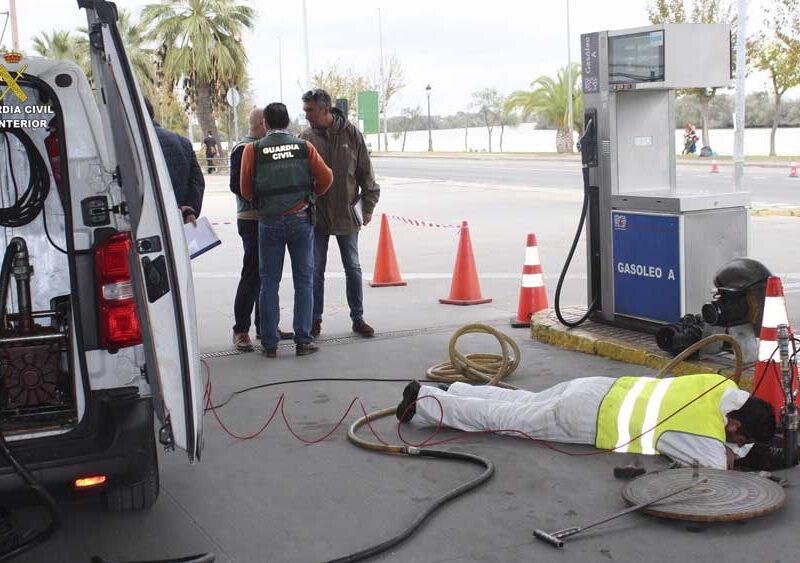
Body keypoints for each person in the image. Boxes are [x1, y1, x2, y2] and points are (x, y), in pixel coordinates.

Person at [396, 374, 776, 470]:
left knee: (521, 401)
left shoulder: (721, 385)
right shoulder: (703, 435)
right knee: (509, 418)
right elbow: (718, 466)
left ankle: (452, 390)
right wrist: (742, 457)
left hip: (597, 387)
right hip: (588, 419)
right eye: (740, 438)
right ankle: (425, 404)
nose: (736, 442)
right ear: (734, 425)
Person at [239, 103, 333, 358]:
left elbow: (245, 190)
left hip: (269, 221)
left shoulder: (253, 149)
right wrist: (310, 196)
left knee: (269, 282)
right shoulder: (304, 147)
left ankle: (270, 343)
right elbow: (327, 178)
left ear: (265, 124)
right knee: (304, 281)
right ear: (288, 122)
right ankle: (303, 340)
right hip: (300, 219)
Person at [300, 89, 380, 339]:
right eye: (305, 110)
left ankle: (358, 318)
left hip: (347, 215)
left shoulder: (351, 134)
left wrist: (368, 207)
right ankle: (314, 320)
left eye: (310, 110)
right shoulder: (305, 138)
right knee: (315, 270)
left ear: (325, 110)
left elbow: (366, 173)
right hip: (317, 217)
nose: (306, 115)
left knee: (353, 267)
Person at [229, 108, 294, 351]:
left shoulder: (265, 147)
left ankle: (266, 326)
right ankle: (241, 329)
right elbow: (236, 185)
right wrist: (265, 192)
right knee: (252, 273)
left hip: (269, 217)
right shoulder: (243, 148)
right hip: (251, 218)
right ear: (260, 123)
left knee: (268, 275)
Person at [144, 98, 205, 224]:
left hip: (151, 221)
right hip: (181, 220)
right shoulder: (182, 142)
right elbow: (197, 181)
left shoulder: (135, 144)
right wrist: (189, 211)